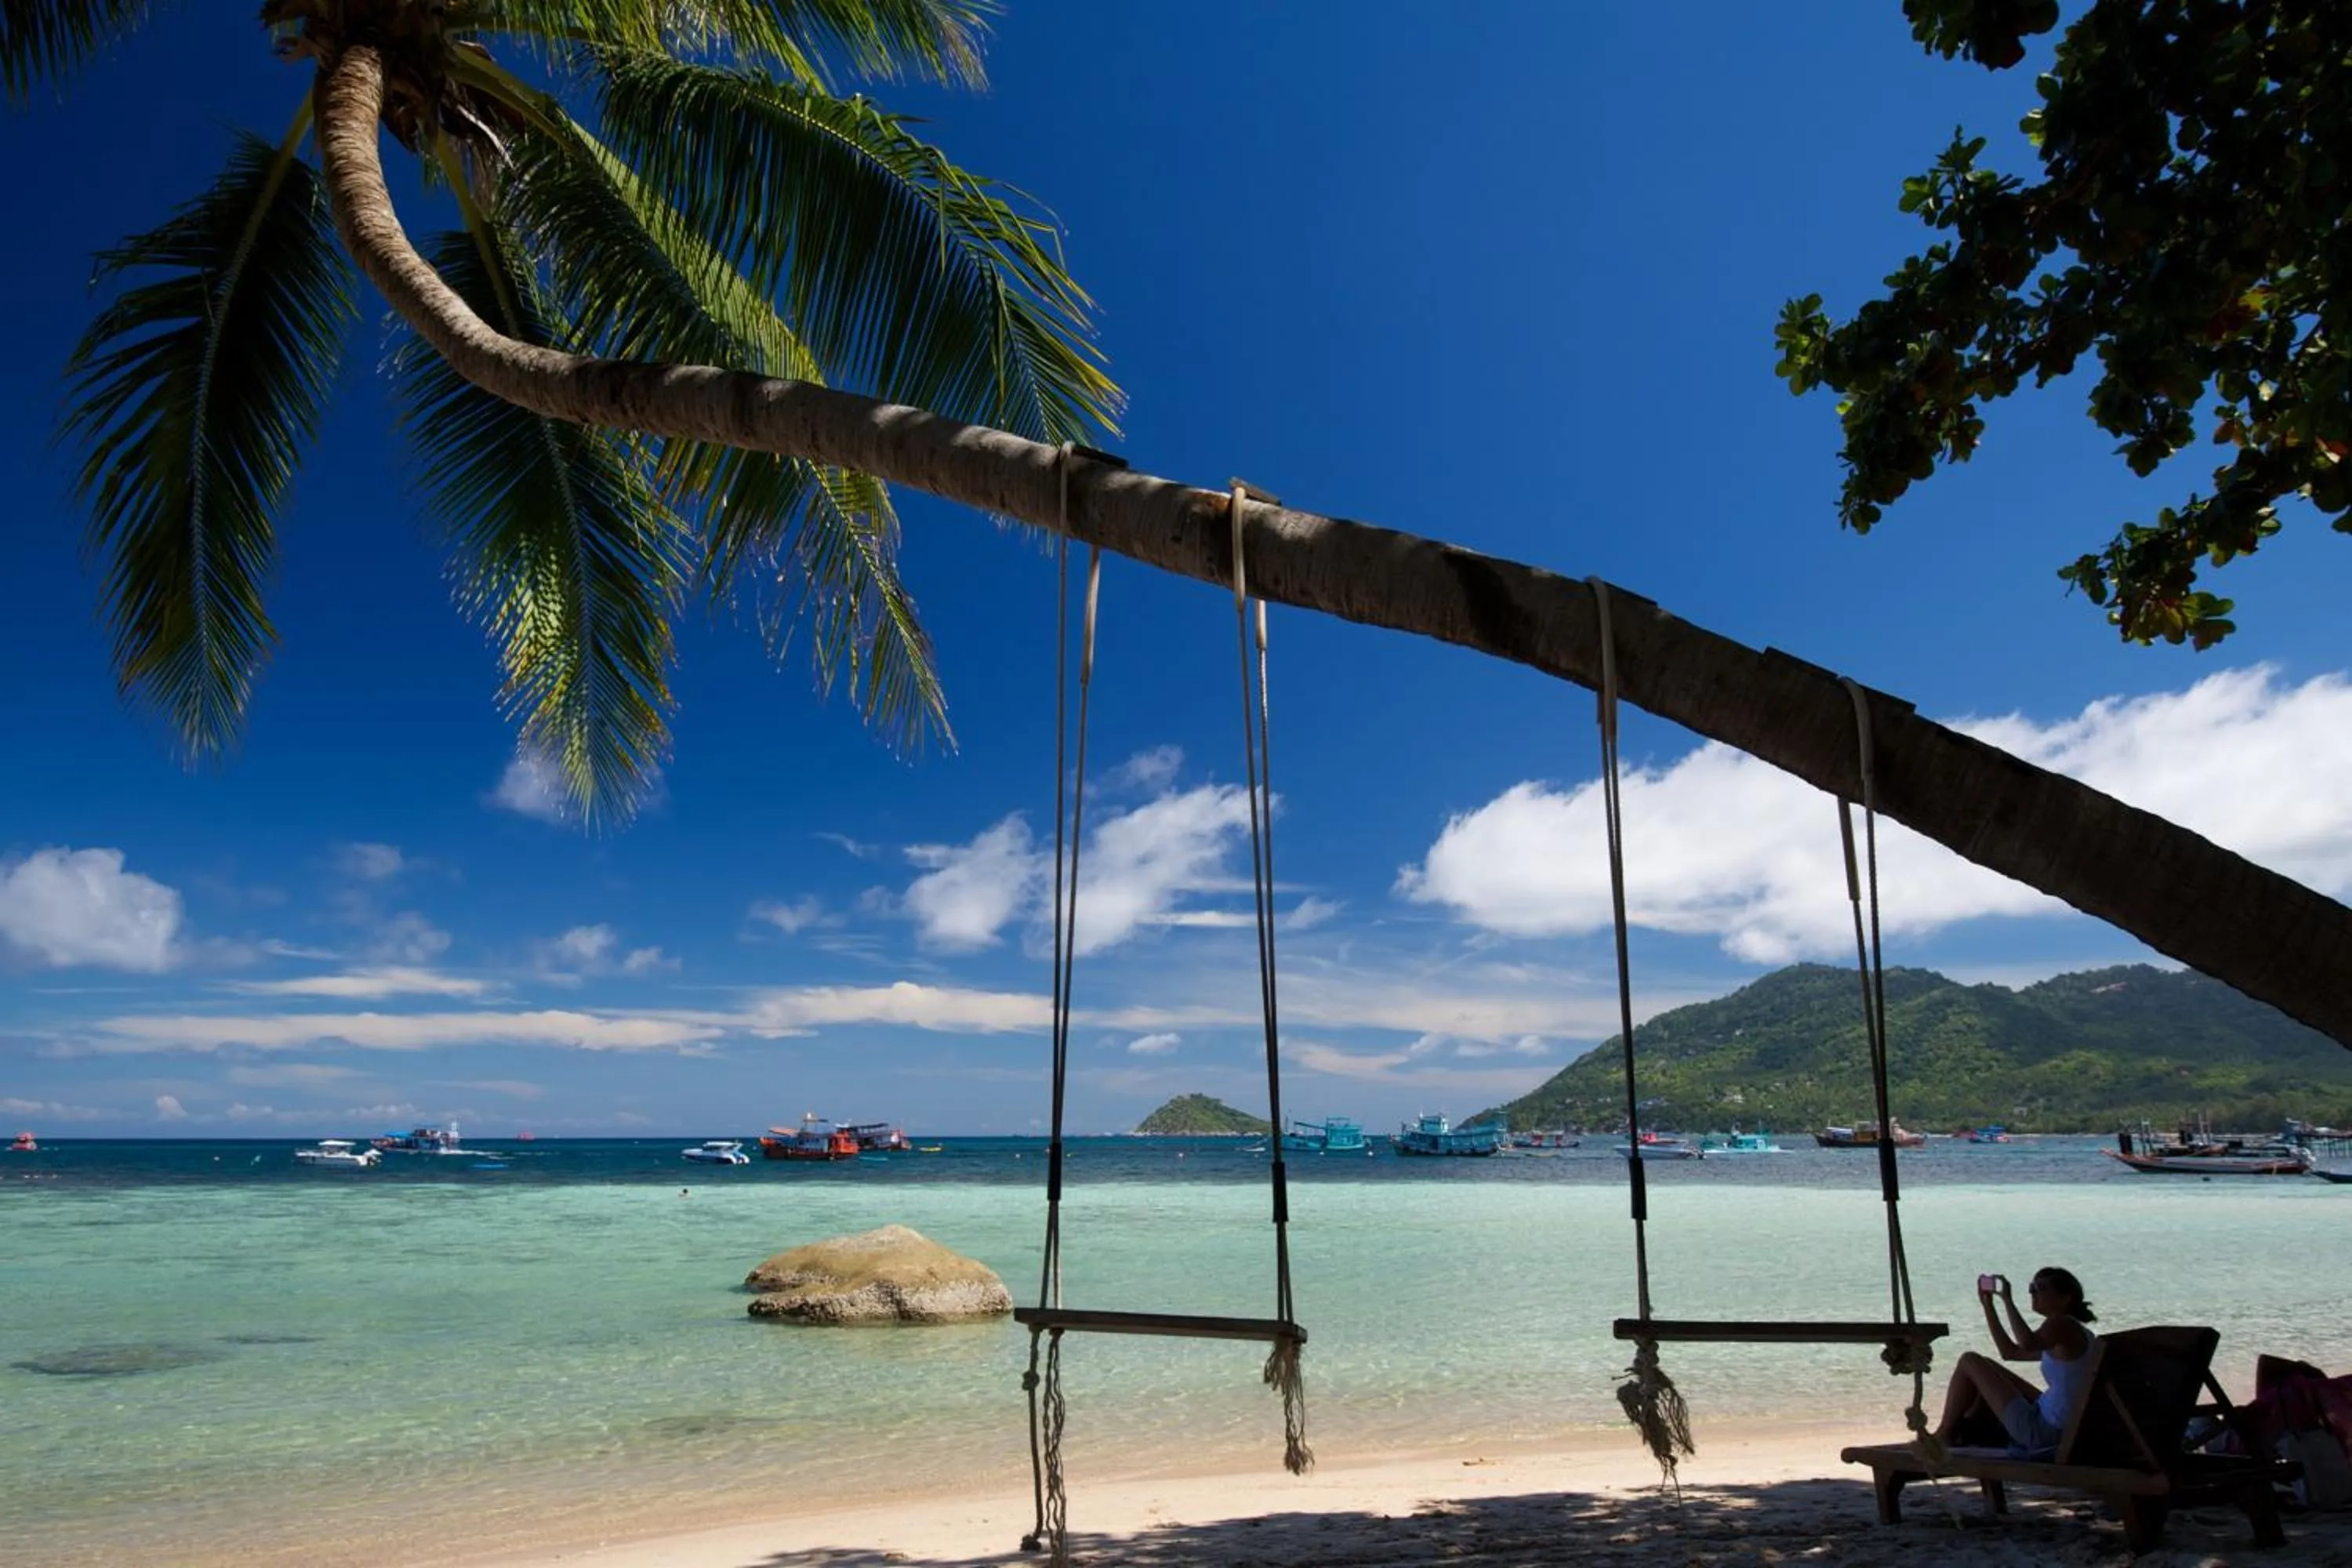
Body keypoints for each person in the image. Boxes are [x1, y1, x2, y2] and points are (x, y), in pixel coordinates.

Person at [1929, 1265, 2097, 1455]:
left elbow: (2027, 1343)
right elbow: (2009, 1352)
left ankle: (1944, 1435)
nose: (2033, 1293)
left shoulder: (2062, 1324)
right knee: (1987, 1365)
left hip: (2045, 1433)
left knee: (1969, 1360)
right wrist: (1989, 1306)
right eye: (2032, 1287)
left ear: (2066, 1298)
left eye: (2041, 1288)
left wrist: (2008, 1301)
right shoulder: (2073, 1335)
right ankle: (1962, 1431)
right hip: (2061, 1426)